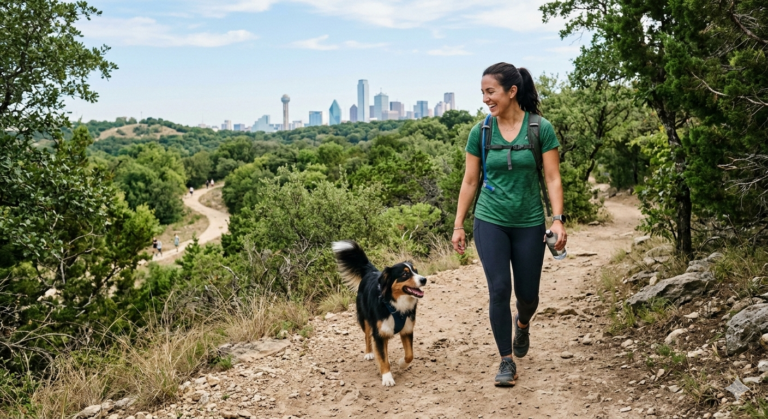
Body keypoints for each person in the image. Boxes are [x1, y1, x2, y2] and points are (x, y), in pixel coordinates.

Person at [451, 62, 567, 387]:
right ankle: (506, 360)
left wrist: (558, 220)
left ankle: (523, 323)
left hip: (529, 222)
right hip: (490, 220)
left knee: (528, 296)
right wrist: (459, 225)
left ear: (512, 91)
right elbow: (470, 181)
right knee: (499, 289)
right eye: (482, 93)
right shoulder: (481, 132)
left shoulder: (540, 128)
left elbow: (553, 177)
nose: (485, 99)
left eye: (491, 92)